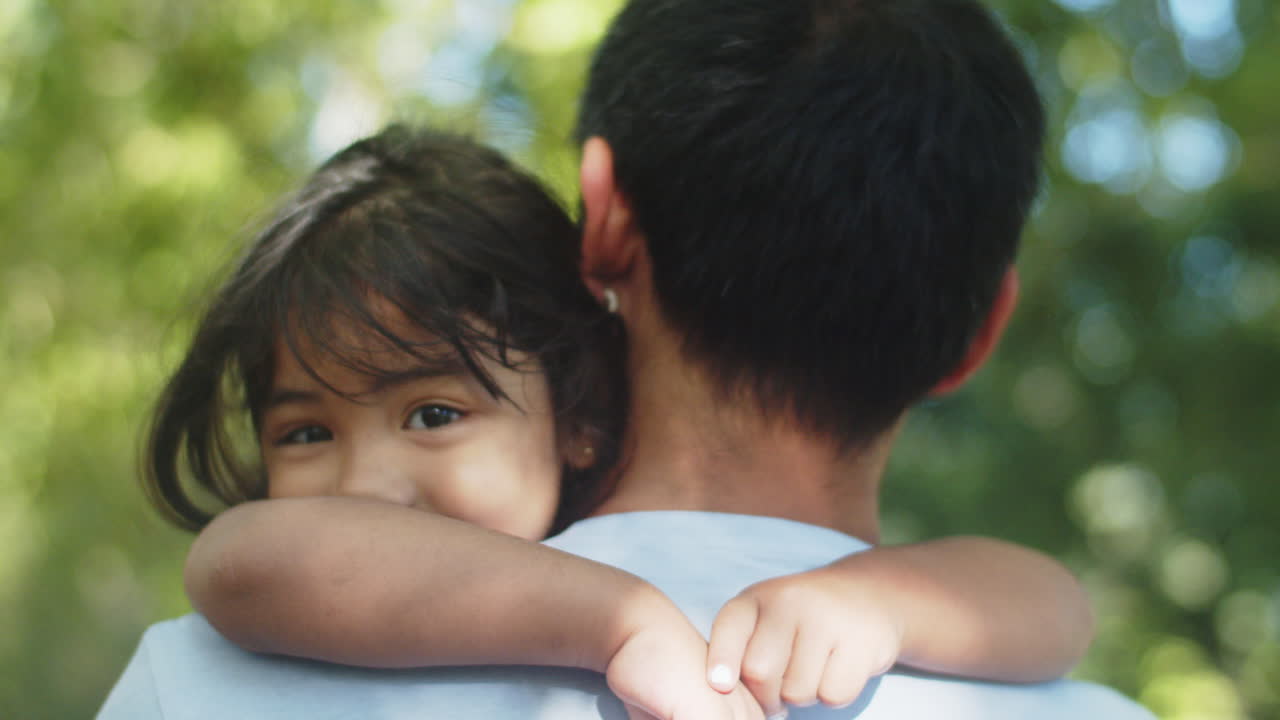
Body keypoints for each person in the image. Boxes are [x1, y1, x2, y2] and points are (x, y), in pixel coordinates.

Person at [100, 1, 1157, 719]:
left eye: (431, 413)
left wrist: (871, 601)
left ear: (600, 216)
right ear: (980, 333)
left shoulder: (210, 683)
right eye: (303, 431)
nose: (367, 485)